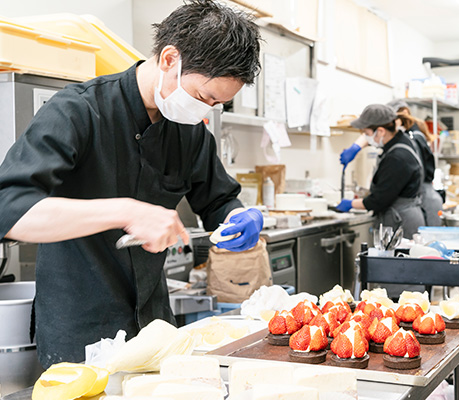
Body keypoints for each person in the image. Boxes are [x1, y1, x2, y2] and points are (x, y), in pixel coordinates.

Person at [0, 0, 262, 368]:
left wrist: (239, 216)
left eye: (217, 104)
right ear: (170, 59)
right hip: (79, 334)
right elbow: (8, 211)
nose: (205, 110)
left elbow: (218, 200)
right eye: (203, 97)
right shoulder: (76, 112)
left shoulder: (190, 133)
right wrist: (124, 211)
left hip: (156, 330)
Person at [339, 100, 443, 226]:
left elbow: (378, 200)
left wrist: (350, 204)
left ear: (381, 131)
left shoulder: (397, 157)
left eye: (367, 134)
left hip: (402, 221)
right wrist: (356, 147)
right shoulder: (401, 141)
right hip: (402, 216)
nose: (367, 138)